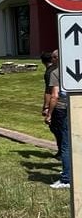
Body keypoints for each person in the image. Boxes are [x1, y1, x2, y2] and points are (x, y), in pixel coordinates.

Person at [45, 50, 70, 188]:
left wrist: (49, 113)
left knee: (66, 145)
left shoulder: (56, 73)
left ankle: (66, 178)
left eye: (54, 57)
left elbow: (54, 96)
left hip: (64, 109)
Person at [40, 51, 58, 158]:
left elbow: (48, 91)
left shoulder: (49, 73)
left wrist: (46, 107)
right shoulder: (56, 70)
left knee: (54, 127)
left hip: (54, 103)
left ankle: (62, 150)